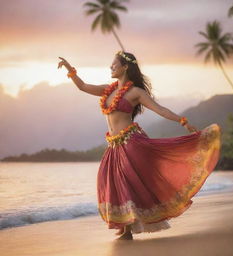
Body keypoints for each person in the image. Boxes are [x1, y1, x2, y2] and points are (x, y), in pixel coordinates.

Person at [57, 51, 221, 241]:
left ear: (125, 67)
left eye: (114, 65)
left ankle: (127, 230)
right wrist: (70, 69)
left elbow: (159, 109)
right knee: (108, 180)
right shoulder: (107, 90)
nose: (111, 67)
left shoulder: (135, 92)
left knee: (126, 182)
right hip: (114, 145)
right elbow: (83, 86)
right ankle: (124, 223)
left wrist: (182, 120)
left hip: (132, 143)